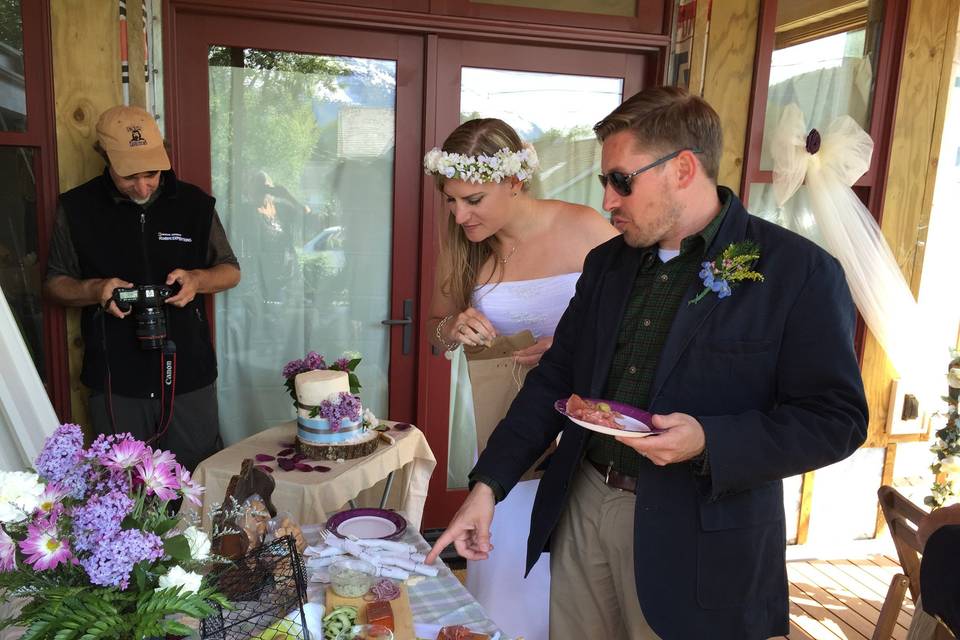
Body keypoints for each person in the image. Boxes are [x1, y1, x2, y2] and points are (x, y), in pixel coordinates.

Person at [426, 86, 869, 640]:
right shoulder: (607, 264)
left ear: (683, 168)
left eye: (621, 181)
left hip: (700, 531)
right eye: (604, 183)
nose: (608, 201)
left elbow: (838, 420)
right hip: (583, 505)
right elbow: (555, 380)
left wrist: (710, 440)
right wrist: (487, 487)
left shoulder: (796, 271)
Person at [425, 118, 617, 640]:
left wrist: (572, 347)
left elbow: (640, 322)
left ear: (515, 181)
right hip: (508, 436)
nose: (460, 215)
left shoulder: (586, 228)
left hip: (584, 441)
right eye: (450, 200)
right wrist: (452, 326)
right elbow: (436, 335)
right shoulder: (467, 247)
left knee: (570, 592)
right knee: (504, 581)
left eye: (474, 199)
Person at [44, 105, 241, 471]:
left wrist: (198, 280)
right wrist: (96, 289)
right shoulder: (76, 208)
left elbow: (230, 270)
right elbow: (56, 284)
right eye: (128, 176)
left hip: (188, 375)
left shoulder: (196, 205)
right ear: (105, 159)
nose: (143, 185)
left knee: (195, 480)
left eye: (151, 173)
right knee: (122, 488)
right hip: (116, 378)